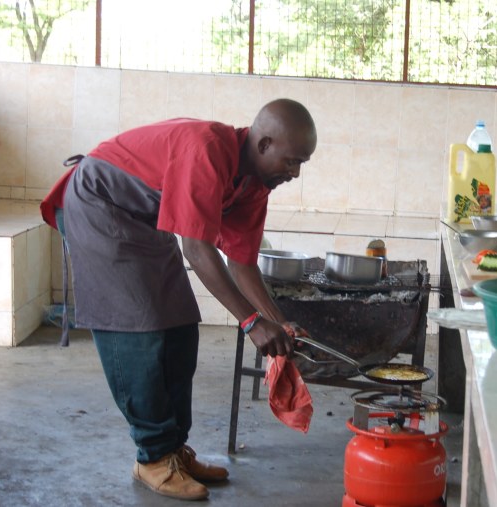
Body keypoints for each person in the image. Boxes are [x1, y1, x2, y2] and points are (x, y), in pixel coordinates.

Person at [39, 98, 318, 501]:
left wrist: (278, 320)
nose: (294, 173)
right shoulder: (206, 150)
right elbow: (199, 251)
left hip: (144, 221)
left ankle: (172, 450)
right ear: (263, 144)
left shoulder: (255, 183)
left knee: (182, 324)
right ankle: (152, 457)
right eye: (291, 161)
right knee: (140, 329)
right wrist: (252, 323)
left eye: (301, 164)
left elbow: (241, 263)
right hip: (99, 206)